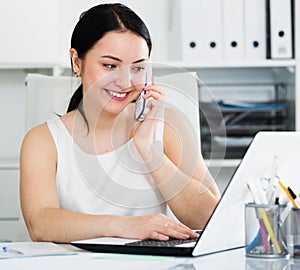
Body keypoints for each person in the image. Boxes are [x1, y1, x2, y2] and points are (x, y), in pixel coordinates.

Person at [20, 3, 220, 243]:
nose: (125, 82)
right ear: (77, 62)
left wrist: (147, 149)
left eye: (137, 67)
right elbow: (40, 223)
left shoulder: (167, 126)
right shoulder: (44, 140)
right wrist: (126, 226)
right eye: (110, 65)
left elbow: (211, 219)